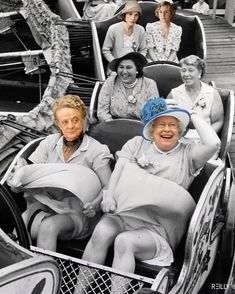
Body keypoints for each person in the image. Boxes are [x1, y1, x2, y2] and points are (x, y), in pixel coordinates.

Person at [75, 97, 220, 294]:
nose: (167, 130)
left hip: (158, 228)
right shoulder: (137, 144)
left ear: (180, 130)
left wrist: (191, 114)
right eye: (161, 125)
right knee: (101, 231)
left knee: (124, 241)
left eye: (173, 125)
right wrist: (108, 196)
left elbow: (213, 143)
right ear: (152, 129)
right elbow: (119, 171)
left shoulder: (189, 154)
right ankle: (78, 291)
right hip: (125, 214)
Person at [7, 95, 112, 251]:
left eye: (75, 120)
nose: (70, 126)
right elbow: (33, 174)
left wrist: (95, 205)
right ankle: (25, 269)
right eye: (65, 122)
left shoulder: (97, 150)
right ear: (58, 124)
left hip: (78, 214)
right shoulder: (49, 143)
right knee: (19, 224)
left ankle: (49, 274)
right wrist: (18, 183)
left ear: (84, 120)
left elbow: (109, 185)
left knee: (49, 226)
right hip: (47, 207)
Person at [167, 55, 224, 144]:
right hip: (180, 141)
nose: (186, 74)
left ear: (200, 72)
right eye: (183, 70)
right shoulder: (174, 93)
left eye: (191, 70)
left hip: (206, 141)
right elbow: (167, 119)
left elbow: (218, 121)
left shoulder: (211, 93)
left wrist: (206, 137)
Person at [97, 51, 159, 122]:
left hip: (141, 128)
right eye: (121, 67)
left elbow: (154, 112)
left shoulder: (149, 84)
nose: (124, 72)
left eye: (129, 67)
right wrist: (112, 126)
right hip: (113, 126)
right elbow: (102, 112)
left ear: (137, 69)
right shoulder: (110, 82)